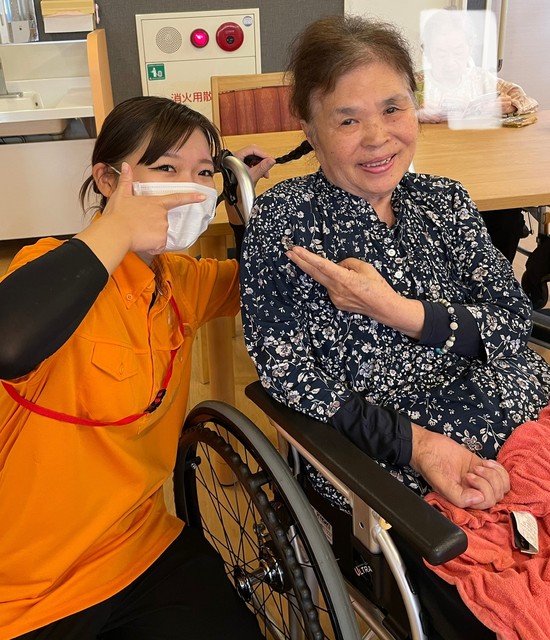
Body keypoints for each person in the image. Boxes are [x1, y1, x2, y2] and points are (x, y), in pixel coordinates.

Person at [240, 14, 550, 515]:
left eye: (392, 108)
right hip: (390, 455)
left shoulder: (444, 201)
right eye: (347, 120)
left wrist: (396, 310)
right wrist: (417, 445)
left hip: (521, 411)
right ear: (310, 130)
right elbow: (289, 372)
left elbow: (511, 323)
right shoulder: (288, 220)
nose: (377, 136)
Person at [0, 96, 274, 639]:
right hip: (26, 585)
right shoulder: (48, 266)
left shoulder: (181, 282)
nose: (189, 188)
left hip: (140, 546)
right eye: (167, 168)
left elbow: (263, 285)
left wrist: (243, 205)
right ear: (108, 179)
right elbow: (9, 343)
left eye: (204, 174)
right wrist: (118, 228)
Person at [415, 8, 538, 263]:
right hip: (434, 173)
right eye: (441, 52)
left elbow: (527, 101)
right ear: (427, 51)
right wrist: (415, 113)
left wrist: (509, 106)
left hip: (479, 170)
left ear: (470, 48)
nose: (451, 61)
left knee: (506, 216)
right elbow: (385, 112)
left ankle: (496, 274)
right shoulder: (415, 83)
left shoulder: (480, 79)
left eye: (458, 51)